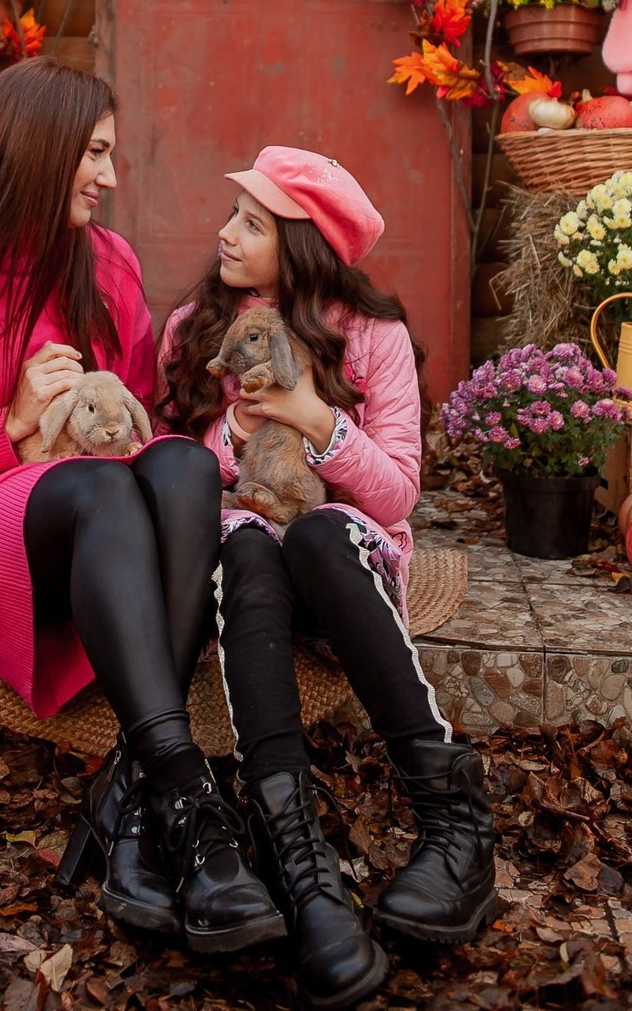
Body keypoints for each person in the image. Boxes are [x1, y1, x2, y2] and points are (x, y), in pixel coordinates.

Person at [0, 59, 283, 955]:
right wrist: (8, 430)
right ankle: (186, 789)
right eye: (94, 153)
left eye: (111, 154)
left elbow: (135, 423)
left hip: (94, 506)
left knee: (180, 473)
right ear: (37, 151)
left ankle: (139, 794)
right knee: (101, 486)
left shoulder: (107, 265)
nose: (111, 177)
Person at [159, 146, 497, 1008]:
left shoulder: (371, 334)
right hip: (247, 566)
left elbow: (399, 493)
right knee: (248, 545)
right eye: (234, 214)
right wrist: (230, 441)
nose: (224, 234)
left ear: (303, 244)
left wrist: (317, 422)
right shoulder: (196, 325)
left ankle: (453, 823)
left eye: (252, 223)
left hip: (342, 563)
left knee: (312, 534)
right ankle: (298, 861)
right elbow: (165, 470)